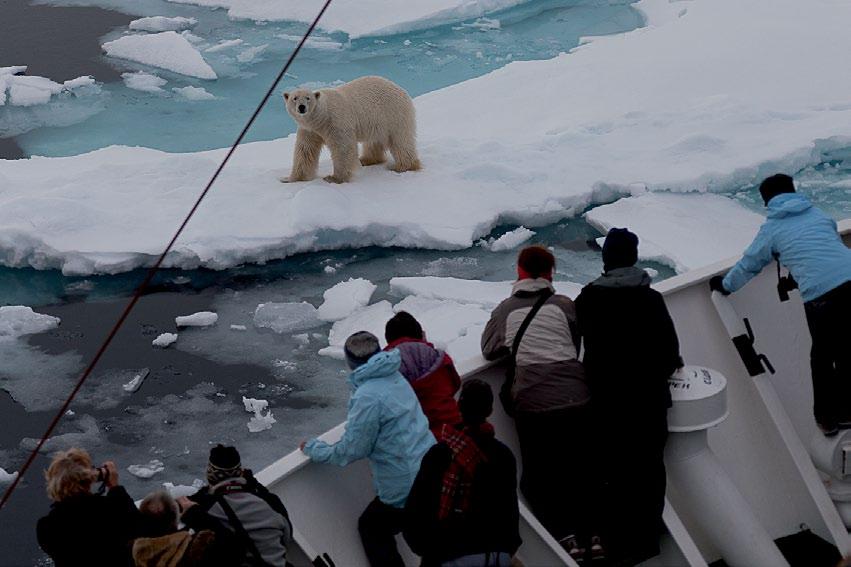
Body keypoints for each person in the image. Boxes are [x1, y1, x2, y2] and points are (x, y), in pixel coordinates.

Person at [481, 245, 600, 563]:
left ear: (519, 272)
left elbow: (490, 350)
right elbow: (575, 345)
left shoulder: (506, 310)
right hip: (577, 398)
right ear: (551, 273)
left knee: (541, 474)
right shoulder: (564, 305)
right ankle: (594, 534)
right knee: (581, 467)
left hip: (533, 405)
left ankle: (566, 538)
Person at [709, 173, 851, 436]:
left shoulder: (772, 229)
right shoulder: (818, 214)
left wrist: (725, 286)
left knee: (822, 356)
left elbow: (750, 263)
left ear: (768, 202)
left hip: (822, 295)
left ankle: (827, 419)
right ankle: (847, 410)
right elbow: (828, 245)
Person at [575, 228, 683, 566]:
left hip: (606, 403)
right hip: (648, 402)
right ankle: (646, 539)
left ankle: (614, 544)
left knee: (610, 471)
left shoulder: (587, 299)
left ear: (606, 259)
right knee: (649, 469)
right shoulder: (651, 300)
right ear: (634, 258)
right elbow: (669, 353)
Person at [301, 331, 435, 567]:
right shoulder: (395, 376)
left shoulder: (368, 397)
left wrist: (315, 449)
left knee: (372, 527)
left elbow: (351, 449)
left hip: (405, 483)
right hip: (430, 469)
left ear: (350, 362)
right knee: (425, 537)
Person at [404, 379, 521, 566]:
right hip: (495, 556)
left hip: (448, 555)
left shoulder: (440, 453)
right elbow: (510, 511)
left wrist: (428, 551)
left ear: (459, 407)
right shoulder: (504, 455)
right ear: (490, 411)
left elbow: (416, 510)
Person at [179, 445, 292, 567]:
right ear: (240, 473)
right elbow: (287, 536)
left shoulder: (206, 508)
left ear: (210, 475)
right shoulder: (270, 500)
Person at [37, 447, 142, 567]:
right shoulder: (111, 509)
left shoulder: (46, 527)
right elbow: (138, 528)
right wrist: (115, 487)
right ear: (89, 478)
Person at [385, 311, 463, 436]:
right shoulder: (438, 357)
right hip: (451, 431)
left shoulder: (384, 368)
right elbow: (455, 384)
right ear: (419, 334)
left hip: (415, 441)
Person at [133, 490, 230, 567]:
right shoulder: (195, 549)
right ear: (175, 520)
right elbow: (234, 545)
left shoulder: (133, 551)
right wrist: (195, 513)